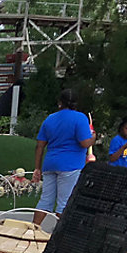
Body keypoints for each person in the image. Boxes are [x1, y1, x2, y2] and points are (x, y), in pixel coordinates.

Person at [31, 89, 94, 226]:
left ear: (60, 102)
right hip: (71, 165)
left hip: (50, 164)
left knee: (45, 200)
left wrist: (37, 168)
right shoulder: (80, 118)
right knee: (65, 202)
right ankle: (61, 233)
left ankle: (33, 229)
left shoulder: (50, 119)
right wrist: (93, 137)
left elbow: (40, 146)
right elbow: (85, 143)